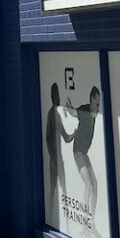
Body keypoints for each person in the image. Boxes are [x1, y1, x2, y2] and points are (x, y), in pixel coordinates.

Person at [65, 86, 102, 238]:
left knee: (95, 185)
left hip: (84, 152)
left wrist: (70, 107)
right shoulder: (86, 112)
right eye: (97, 104)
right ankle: (85, 225)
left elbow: (74, 110)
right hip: (78, 151)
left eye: (99, 105)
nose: (98, 108)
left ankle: (91, 223)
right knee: (89, 184)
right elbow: (74, 112)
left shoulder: (91, 113)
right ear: (92, 99)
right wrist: (67, 107)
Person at [46, 82, 74, 210]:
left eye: (58, 94)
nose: (58, 97)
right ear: (53, 96)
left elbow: (66, 137)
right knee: (53, 189)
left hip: (59, 160)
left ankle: (66, 218)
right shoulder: (51, 115)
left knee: (64, 190)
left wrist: (75, 133)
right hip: (55, 161)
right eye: (56, 95)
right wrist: (54, 157)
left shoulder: (57, 115)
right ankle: (50, 214)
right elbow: (47, 138)